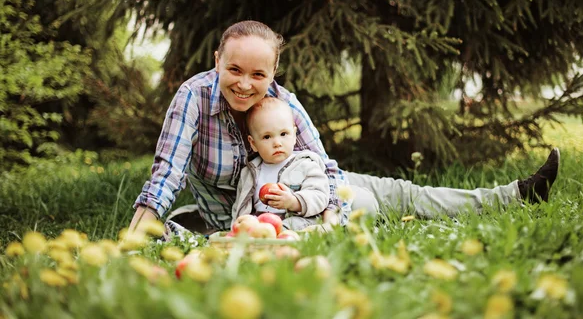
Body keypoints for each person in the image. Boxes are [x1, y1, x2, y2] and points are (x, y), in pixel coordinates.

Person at [129, 20, 560, 234]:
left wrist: (331, 208)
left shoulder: (286, 104)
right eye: (235, 69)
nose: (245, 84)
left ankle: (515, 195)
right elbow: (168, 171)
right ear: (217, 60)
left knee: (402, 191)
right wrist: (136, 234)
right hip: (262, 220)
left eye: (258, 75)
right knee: (370, 205)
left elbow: (322, 163)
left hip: (308, 187)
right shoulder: (194, 98)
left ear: (273, 72)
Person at [231, 97, 330, 231]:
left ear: (294, 135)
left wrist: (294, 202)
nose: (277, 143)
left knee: (300, 226)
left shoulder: (306, 165)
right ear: (253, 143)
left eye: (283, 134)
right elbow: (239, 207)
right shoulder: (250, 172)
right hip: (261, 225)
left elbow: (320, 196)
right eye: (267, 137)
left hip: (295, 221)